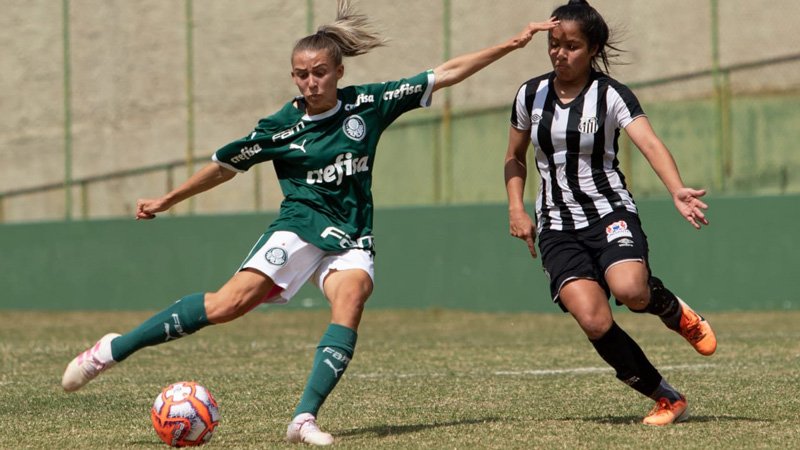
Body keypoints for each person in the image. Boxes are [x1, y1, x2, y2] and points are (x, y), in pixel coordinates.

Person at [62, 1, 559, 445]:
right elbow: (223, 166)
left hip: (352, 235)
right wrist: (168, 199)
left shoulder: (369, 104)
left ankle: (303, 419)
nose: (310, 82)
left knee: (352, 298)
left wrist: (511, 44)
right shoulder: (280, 127)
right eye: (300, 74)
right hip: (299, 227)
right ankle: (113, 349)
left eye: (319, 72)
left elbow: (444, 73)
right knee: (228, 305)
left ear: (339, 71)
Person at [504, 0, 717, 426]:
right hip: (557, 226)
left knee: (631, 289)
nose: (560, 54)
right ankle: (666, 397)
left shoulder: (611, 95)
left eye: (572, 46)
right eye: (554, 44)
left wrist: (676, 189)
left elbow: (650, 143)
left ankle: (672, 310)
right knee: (593, 320)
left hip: (608, 212)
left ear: (593, 48)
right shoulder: (530, 94)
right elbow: (514, 157)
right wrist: (516, 207)